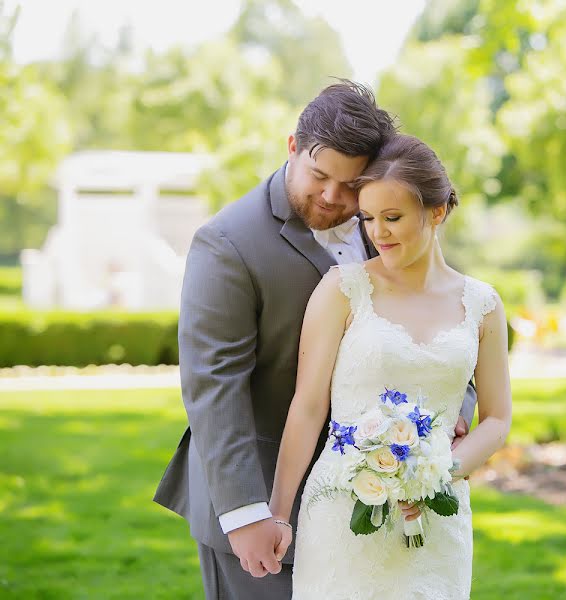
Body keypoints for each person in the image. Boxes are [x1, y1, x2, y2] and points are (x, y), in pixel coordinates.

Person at [153, 82, 478, 599]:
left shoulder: (386, 218)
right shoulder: (227, 244)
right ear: (292, 147)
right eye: (319, 175)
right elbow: (214, 386)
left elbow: (441, 319)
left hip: (383, 503)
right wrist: (247, 513)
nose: (332, 197)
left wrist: (450, 407)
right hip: (260, 501)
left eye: (351, 185)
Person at [268, 134, 513, 599]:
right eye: (368, 218)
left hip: (437, 520)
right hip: (342, 516)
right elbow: (308, 405)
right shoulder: (342, 289)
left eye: (393, 217)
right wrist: (280, 512)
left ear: (437, 212)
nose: (377, 232)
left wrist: (441, 471)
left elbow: (498, 418)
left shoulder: (482, 305)